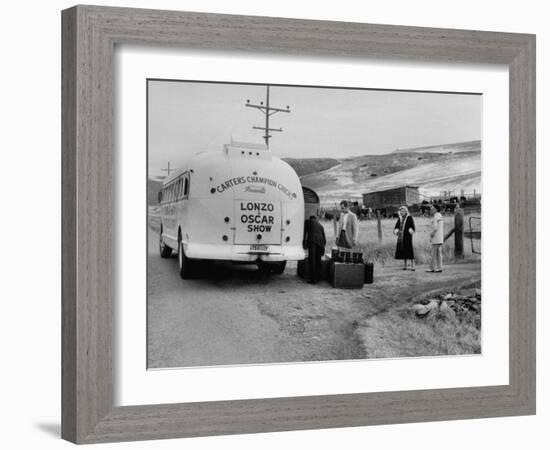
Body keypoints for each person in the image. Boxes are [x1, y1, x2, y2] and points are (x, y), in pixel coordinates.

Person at [303, 215, 327, 284]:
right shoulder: (320, 225)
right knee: (318, 260)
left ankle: (313, 280)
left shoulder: (307, 222)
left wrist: (305, 244)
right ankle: (319, 277)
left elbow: (305, 233)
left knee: (312, 260)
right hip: (320, 243)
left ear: (310, 219)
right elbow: (324, 238)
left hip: (313, 241)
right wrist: (322, 248)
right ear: (315, 219)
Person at [393, 205, 416, 270]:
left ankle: (412, 265)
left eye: (403, 211)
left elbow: (412, 226)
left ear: (406, 211)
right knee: (403, 250)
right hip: (401, 237)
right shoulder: (400, 218)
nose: (401, 212)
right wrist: (397, 231)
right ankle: (405, 265)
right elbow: (396, 227)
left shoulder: (409, 218)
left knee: (409, 250)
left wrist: (410, 231)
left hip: (407, 236)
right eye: (401, 211)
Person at [427, 204, 444, 273]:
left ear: (436, 209)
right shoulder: (440, 216)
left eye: (432, 208)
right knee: (438, 253)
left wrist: (431, 235)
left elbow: (435, 228)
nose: (431, 210)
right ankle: (439, 267)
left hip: (436, 238)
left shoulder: (435, 216)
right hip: (440, 237)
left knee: (433, 253)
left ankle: (432, 268)